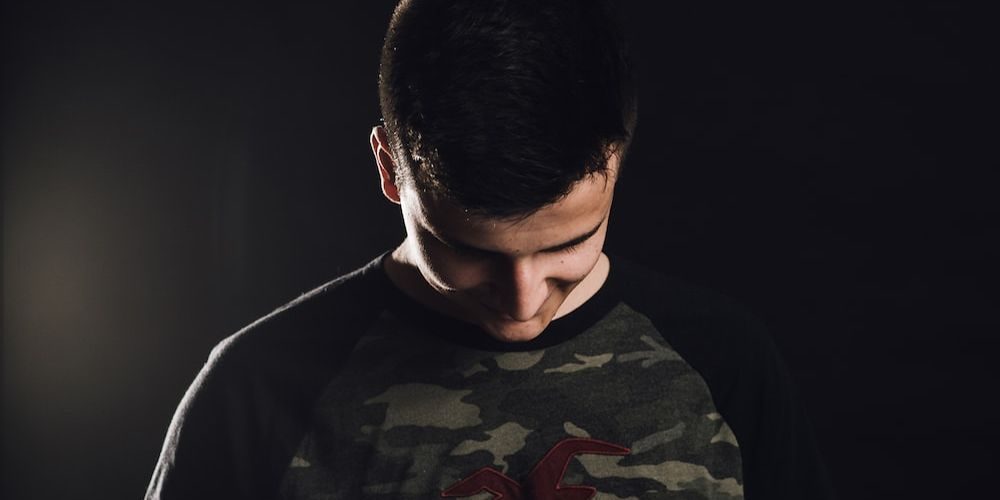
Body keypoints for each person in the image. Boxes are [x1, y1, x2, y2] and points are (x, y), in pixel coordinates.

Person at [146, 0, 834, 498]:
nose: (522, 305)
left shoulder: (724, 363)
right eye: (468, 251)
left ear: (616, 162)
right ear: (389, 169)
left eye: (566, 246)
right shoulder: (258, 392)